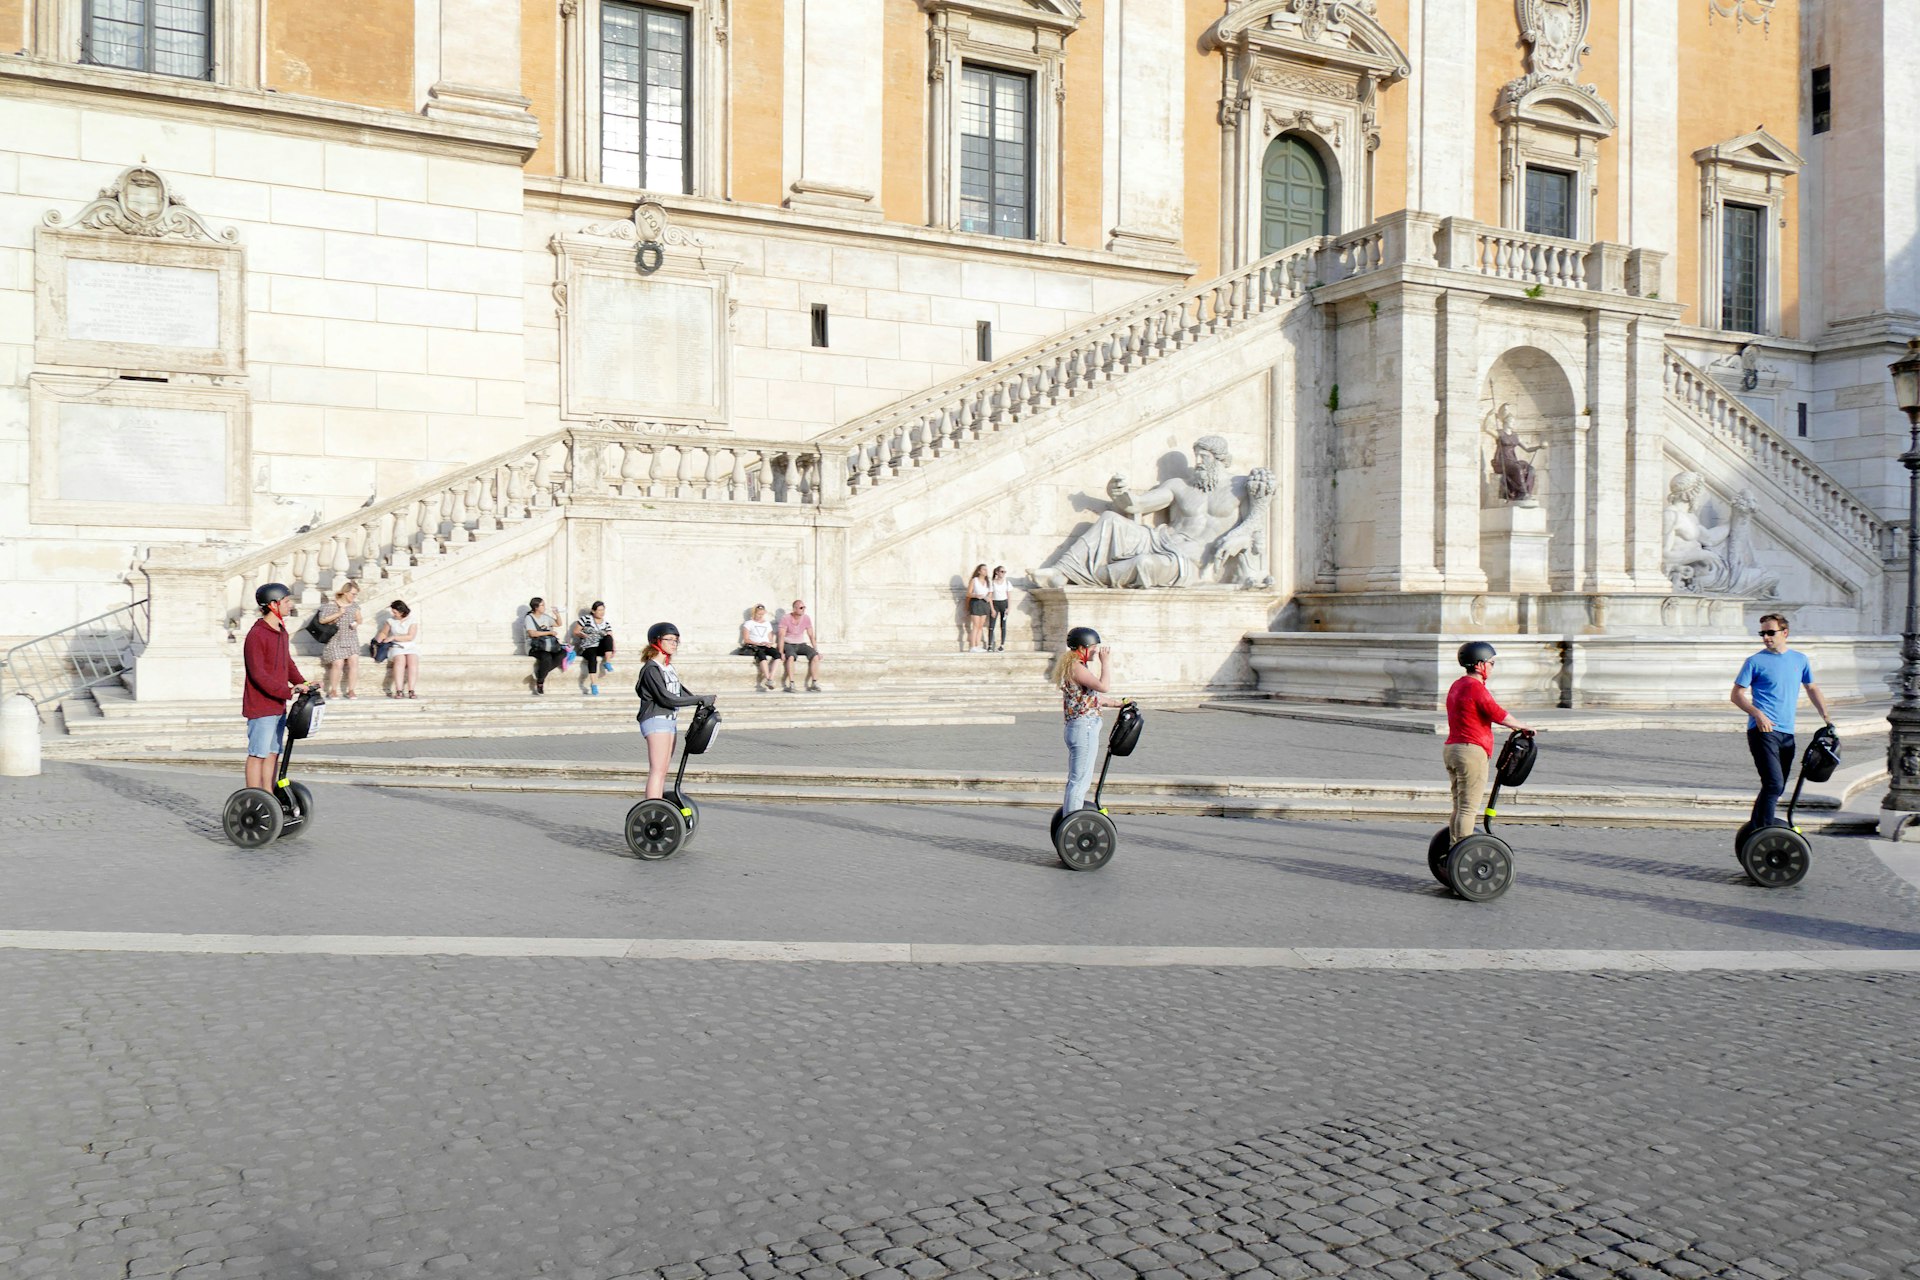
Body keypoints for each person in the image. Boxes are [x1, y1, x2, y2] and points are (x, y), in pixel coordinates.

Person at [1732, 613, 1832, 829]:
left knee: (1775, 787)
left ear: (1784, 633)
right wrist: (1757, 714)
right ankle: (1765, 832)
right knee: (1773, 783)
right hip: (1762, 731)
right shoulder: (1754, 661)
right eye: (1762, 633)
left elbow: (1812, 687)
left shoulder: (1799, 659)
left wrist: (1826, 715)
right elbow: (1736, 695)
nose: (1766, 637)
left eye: (1770, 632)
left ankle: (1756, 829)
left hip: (1787, 733)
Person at [1443, 641, 1535, 844]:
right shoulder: (1475, 687)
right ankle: (1461, 851)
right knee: (1468, 808)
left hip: (1452, 749)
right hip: (1471, 751)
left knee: (1459, 806)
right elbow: (1496, 712)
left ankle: (1453, 847)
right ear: (1479, 664)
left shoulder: (1457, 685)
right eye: (1491, 663)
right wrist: (1521, 727)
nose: (1493, 667)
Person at [242, 583, 314, 793]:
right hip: (261, 705)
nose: (290, 605)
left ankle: (269, 796)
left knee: (273, 752)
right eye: (286, 601)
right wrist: (287, 691)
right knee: (258, 753)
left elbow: (287, 663)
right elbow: (258, 674)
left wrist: (304, 683)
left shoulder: (281, 631)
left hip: (277, 704)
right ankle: (254, 798)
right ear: (273, 604)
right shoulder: (257, 635)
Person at [1049, 626, 1124, 818]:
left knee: (1078, 779)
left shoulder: (1074, 666)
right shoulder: (1076, 667)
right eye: (1094, 647)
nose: (1097, 651)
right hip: (1084, 727)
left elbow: (1090, 698)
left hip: (1081, 726)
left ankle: (1069, 818)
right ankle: (1071, 822)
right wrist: (1106, 663)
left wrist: (1119, 704)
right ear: (1083, 647)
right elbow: (1103, 687)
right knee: (1080, 780)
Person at [635, 621, 715, 800]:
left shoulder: (668, 668)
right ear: (656, 641)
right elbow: (666, 698)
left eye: (676, 640)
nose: (673, 643)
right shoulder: (651, 669)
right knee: (657, 770)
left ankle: (658, 805)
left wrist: (703, 700)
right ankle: (651, 809)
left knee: (663, 770)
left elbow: (680, 692)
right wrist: (699, 699)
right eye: (669, 639)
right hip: (656, 720)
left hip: (669, 720)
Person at [317, 580, 362, 700]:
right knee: (338, 663)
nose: (354, 597)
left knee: (354, 662)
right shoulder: (331, 605)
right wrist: (338, 613)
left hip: (351, 638)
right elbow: (322, 620)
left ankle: (351, 690)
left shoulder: (354, 606)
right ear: (345, 593)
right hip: (335, 639)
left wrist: (356, 623)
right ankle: (333, 690)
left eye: (355, 594)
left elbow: (359, 619)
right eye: (353, 594)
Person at [376, 600, 420, 699]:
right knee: (400, 661)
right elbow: (384, 632)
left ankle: (411, 690)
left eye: (395, 612)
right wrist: (380, 637)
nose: (393, 614)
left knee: (413, 661)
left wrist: (394, 637)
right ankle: (399, 690)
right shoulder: (390, 621)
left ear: (402, 612)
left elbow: (410, 637)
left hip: (409, 645)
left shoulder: (412, 620)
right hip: (396, 646)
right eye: (393, 612)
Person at [571, 600, 617, 696]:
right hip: (588, 646)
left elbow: (611, 636)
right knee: (592, 658)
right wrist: (581, 634)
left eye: (603, 610)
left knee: (608, 637)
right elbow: (575, 631)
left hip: (599, 646)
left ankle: (607, 662)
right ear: (593, 611)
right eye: (599, 610)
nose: (602, 612)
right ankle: (594, 684)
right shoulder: (585, 619)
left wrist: (613, 648)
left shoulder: (606, 623)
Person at [778, 599, 824, 692]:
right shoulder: (786, 618)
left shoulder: (806, 618)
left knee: (815, 656)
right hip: (788, 644)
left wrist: (817, 650)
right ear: (795, 609)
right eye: (801, 607)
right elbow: (781, 636)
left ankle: (814, 682)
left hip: (801, 644)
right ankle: (791, 684)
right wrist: (780, 652)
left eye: (804, 607)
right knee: (790, 657)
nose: (803, 609)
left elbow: (811, 635)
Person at [525, 596, 565, 695]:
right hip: (535, 646)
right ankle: (540, 682)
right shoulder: (529, 618)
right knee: (546, 657)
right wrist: (549, 633)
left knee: (562, 654)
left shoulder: (546, 617)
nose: (544, 607)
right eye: (542, 605)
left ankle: (539, 674)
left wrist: (557, 614)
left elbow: (558, 624)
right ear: (536, 607)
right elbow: (532, 633)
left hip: (548, 646)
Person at [740, 604, 779, 691]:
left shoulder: (767, 623)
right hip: (755, 645)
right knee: (761, 655)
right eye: (758, 614)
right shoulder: (748, 623)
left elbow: (770, 638)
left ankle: (771, 677)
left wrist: (768, 643)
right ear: (754, 613)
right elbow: (746, 639)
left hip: (765, 644)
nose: (760, 616)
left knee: (777, 654)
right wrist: (757, 643)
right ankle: (769, 679)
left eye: (762, 614)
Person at [965, 564, 992, 652]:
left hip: (984, 603)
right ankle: (972, 646)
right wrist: (976, 595)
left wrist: (988, 599)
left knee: (980, 626)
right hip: (976, 602)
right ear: (979, 571)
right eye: (984, 569)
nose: (986, 571)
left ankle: (978, 645)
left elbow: (990, 594)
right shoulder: (974, 580)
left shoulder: (988, 582)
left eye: (986, 570)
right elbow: (968, 593)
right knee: (975, 625)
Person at [989, 566, 1011, 651]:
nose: (1003, 573)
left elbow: (1009, 596)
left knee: (1003, 625)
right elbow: (990, 596)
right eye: (1002, 571)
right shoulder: (992, 583)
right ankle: (990, 645)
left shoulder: (1007, 582)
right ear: (997, 572)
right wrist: (992, 608)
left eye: (1004, 572)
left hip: (1004, 603)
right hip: (995, 603)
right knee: (992, 625)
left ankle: (1002, 645)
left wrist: (1009, 608)